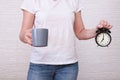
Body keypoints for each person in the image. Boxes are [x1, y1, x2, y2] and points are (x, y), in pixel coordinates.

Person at [19, 0, 112, 80]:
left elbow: (80, 33)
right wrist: (25, 36)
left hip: (68, 66)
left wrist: (98, 31)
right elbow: (23, 34)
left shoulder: (73, 1)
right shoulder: (32, 1)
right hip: (40, 64)